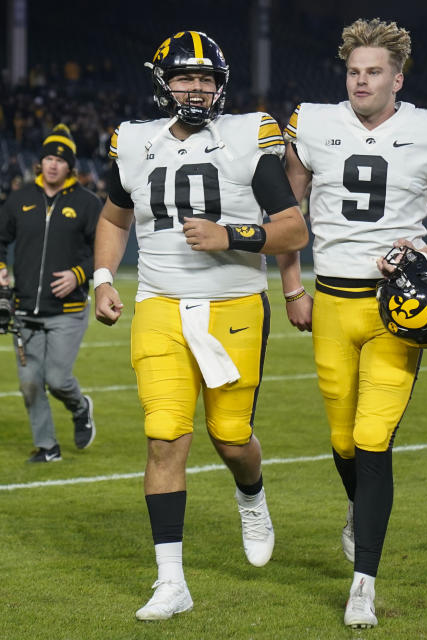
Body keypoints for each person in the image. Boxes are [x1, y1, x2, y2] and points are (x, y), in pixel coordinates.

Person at [93, 30, 308, 621]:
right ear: (164, 82)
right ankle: (171, 581)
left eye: (206, 78)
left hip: (234, 304)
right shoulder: (134, 142)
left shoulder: (247, 135)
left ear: (221, 84)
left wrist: (233, 236)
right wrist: (103, 277)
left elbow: (293, 228)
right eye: (186, 77)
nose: (197, 88)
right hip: (159, 305)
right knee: (165, 437)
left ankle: (252, 494)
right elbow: (114, 217)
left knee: (232, 438)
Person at [278, 18, 427, 629]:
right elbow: (287, 216)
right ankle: (360, 514)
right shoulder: (311, 122)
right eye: (353, 71)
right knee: (341, 442)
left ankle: (363, 579)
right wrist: (291, 287)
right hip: (331, 303)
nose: (361, 81)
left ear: (397, 78)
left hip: (396, 308)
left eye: (373, 72)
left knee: (372, 439)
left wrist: (420, 256)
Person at [0, 124, 100, 462]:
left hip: (68, 310)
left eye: (60, 160)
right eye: (48, 158)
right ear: (40, 163)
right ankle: (48, 447)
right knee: (30, 383)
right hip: (24, 311)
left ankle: (80, 407)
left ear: (70, 167)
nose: (52, 165)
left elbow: (105, 250)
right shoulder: (20, 198)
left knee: (58, 378)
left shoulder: (87, 203)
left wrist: (78, 274)